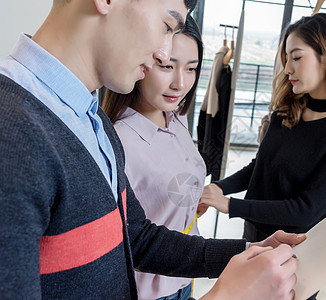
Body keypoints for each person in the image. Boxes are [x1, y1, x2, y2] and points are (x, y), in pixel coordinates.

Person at [0, 1, 306, 299]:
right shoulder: (11, 133)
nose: (164, 51)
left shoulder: (93, 121)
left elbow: (137, 236)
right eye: (166, 25)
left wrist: (246, 253)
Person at [199, 13, 326, 299]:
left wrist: (231, 205)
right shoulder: (289, 108)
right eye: (286, 57)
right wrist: (218, 188)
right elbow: (261, 166)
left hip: (299, 252)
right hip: (257, 236)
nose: (287, 67)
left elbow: (307, 208)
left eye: (296, 57)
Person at [102, 15, 204, 300]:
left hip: (185, 276)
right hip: (149, 290)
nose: (180, 84)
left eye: (192, 69)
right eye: (167, 66)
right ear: (143, 61)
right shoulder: (118, 140)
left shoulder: (176, 118)